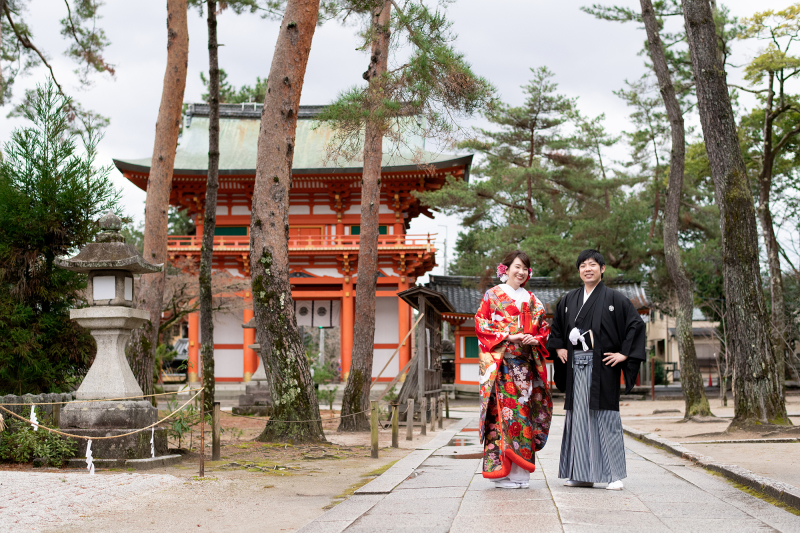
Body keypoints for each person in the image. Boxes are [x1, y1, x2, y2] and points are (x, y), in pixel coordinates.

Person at [547, 249, 646, 490]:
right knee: (578, 419)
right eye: (583, 265)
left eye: (592, 264)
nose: (587, 269)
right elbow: (556, 327)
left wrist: (624, 353)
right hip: (576, 368)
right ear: (579, 270)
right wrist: (558, 348)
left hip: (603, 367)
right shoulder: (569, 300)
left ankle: (613, 475)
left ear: (602, 269)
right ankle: (581, 474)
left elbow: (636, 324)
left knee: (605, 418)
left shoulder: (615, 299)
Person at [475, 250, 553, 489]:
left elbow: (544, 329)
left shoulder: (533, 300)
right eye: (517, 267)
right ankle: (501, 473)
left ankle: (521, 475)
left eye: (525, 269)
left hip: (524, 369)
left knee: (522, 414)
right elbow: (481, 324)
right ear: (505, 269)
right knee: (500, 416)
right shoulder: (492, 295)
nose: (521, 272)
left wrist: (535, 339)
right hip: (500, 367)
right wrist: (509, 335)